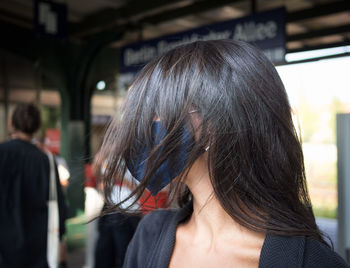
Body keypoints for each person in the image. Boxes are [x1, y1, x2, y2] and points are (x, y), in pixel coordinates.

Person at [98, 40, 349, 267]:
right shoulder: (149, 236)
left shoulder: (314, 263)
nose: (150, 125)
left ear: (215, 126)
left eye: (160, 110)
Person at [0, 103, 67, 268]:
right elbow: (59, 205)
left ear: (11, 123)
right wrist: (60, 237)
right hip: (37, 247)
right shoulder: (46, 161)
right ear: (37, 127)